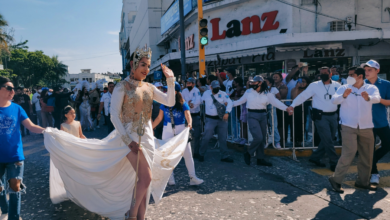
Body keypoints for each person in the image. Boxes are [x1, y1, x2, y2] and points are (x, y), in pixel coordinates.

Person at [43, 47, 189, 220]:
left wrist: (171, 80)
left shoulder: (149, 87)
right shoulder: (122, 86)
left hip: (148, 137)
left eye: (148, 66)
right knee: (146, 178)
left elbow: (170, 101)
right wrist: (128, 140)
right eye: (142, 64)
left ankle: (139, 216)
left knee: (142, 182)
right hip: (130, 138)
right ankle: (131, 216)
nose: (146, 69)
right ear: (132, 64)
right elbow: (114, 116)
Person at [328, 67, 380, 193]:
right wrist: (343, 96)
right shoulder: (343, 87)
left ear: (360, 76)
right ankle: (336, 180)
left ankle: (363, 182)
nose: (348, 77)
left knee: (367, 155)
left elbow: (377, 99)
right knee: (349, 153)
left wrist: (368, 98)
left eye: (352, 75)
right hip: (348, 126)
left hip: (366, 126)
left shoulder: (371, 88)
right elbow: (334, 100)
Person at [0, 76, 44, 220]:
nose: (13, 91)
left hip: (15, 155)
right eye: (9, 88)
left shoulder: (17, 108)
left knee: (15, 187)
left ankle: (14, 217)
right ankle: (4, 209)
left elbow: (31, 126)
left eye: (14, 89)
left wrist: (48, 131)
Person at [287, 67, 341, 171]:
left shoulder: (337, 85)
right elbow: (303, 96)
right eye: (321, 74)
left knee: (327, 139)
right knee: (328, 140)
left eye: (325, 73)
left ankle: (315, 157)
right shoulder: (314, 85)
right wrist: (293, 105)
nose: (323, 75)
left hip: (333, 115)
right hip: (320, 116)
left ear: (330, 74)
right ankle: (334, 161)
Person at [152, 82, 204, 186]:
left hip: (181, 130)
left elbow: (188, 114)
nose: (165, 92)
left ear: (175, 92)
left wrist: (189, 124)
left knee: (188, 154)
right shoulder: (164, 103)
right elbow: (159, 118)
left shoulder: (183, 103)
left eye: (168, 90)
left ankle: (192, 177)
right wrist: (151, 128)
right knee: (167, 155)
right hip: (167, 130)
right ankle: (170, 178)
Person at [233, 76, 288, 166]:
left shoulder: (267, 94)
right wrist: (228, 106)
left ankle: (260, 158)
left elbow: (276, 102)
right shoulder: (248, 92)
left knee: (262, 139)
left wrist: (287, 109)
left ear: (260, 83)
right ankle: (248, 153)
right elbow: (239, 101)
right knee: (258, 137)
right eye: (251, 82)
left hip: (263, 115)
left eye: (254, 82)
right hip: (252, 115)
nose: (251, 84)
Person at [362, 60, 390, 185]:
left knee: (388, 144)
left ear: (377, 71)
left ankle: (371, 162)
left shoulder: (386, 84)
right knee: (369, 149)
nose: (366, 72)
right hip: (366, 123)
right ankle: (374, 173)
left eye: (370, 70)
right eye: (365, 70)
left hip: (381, 121)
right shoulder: (361, 84)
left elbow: (389, 102)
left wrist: (375, 99)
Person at [199, 80, 234, 163]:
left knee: (223, 138)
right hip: (210, 119)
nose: (216, 89)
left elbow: (230, 102)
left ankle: (224, 156)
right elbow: (200, 101)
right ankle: (201, 154)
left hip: (222, 119)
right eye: (215, 88)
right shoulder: (206, 94)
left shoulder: (223, 94)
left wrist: (227, 112)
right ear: (211, 87)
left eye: (218, 88)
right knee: (206, 137)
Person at [181, 77, 202, 158]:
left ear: (193, 84)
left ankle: (196, 152)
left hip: (195, 115)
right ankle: (185, 153)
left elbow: (199, 100)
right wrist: (188, 104)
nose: (188, 84)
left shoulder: (196, 90)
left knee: (197, 134)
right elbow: (181, 100)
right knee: (185, 134)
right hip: (186, 114)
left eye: (189, 83)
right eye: (187, 83)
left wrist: (191, 103)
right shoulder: (184, 91)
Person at [291, 76, 312, 146]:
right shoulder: (294, 89)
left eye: (303, 82)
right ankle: (294, 140)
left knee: (302, 125)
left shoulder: (308, 90)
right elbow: (294, 98)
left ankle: (300, 141)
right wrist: (297, 88)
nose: (301, 83)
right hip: (295, 108)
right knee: (294, 125)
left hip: (304, 109)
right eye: (300, 81)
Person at [265, 77, 281, 148]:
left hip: (272, 108)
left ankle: (277, 142)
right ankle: (266, 141)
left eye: (266, 82)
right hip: (263, 108)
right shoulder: (262, 89)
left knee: (274, 125)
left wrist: (273, 101)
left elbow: (279, 97)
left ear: (270, 83)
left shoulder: (274, 89)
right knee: (265, 126)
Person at [272, 72, 288, 146]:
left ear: (281, 78)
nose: (275, 78)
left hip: (280, 107)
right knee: (275, 125)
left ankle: (282, 141)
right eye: (274, 77)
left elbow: (282, 96)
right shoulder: (272, 86)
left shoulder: (283, 86)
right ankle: (275, 140)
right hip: (273, 108)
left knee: (281, 125)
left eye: (276, 77)